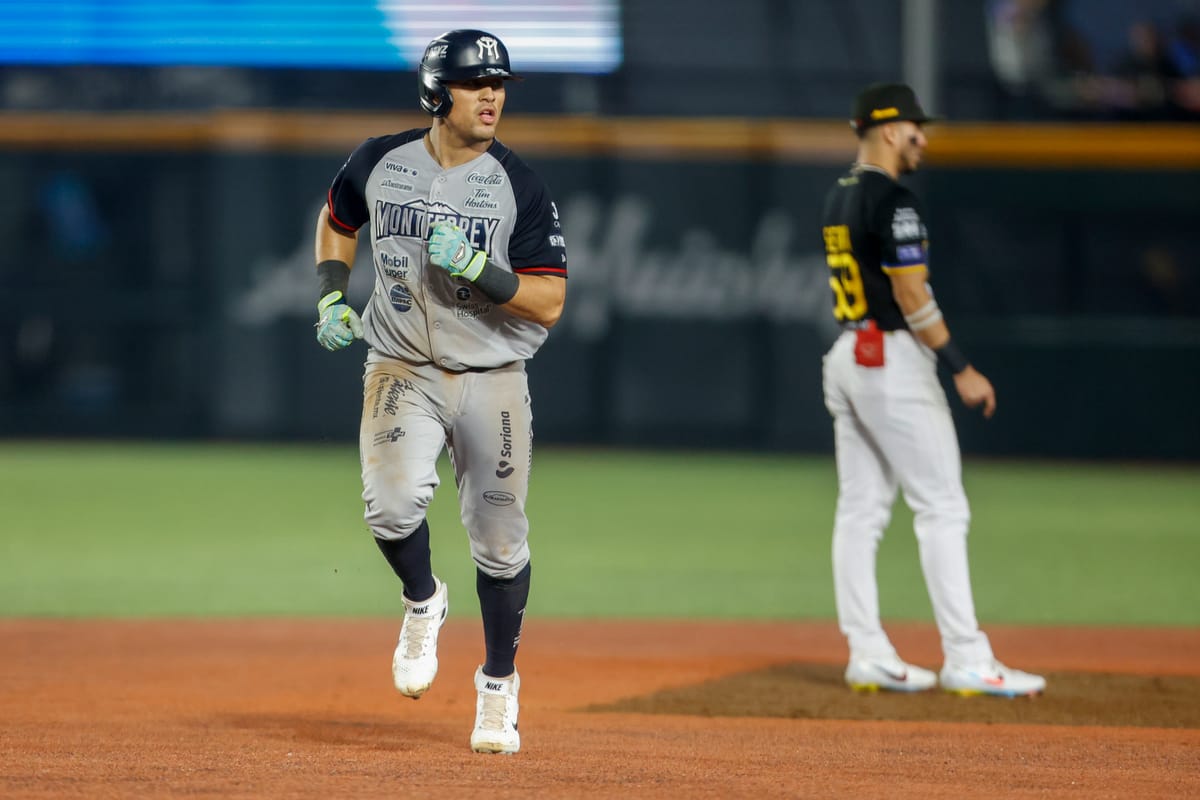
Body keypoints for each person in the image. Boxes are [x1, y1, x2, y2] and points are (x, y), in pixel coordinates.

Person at [312, 29, 568, 753]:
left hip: (493, 375)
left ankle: (497, 686)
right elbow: (337, 220)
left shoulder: (518, 184)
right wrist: (331, 297)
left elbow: (549, 301)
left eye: (498, 85)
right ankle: (423, 600)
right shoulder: (379, 161)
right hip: (402, 367)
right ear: (436, 93)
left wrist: (484, 269)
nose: (491, 96)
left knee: (498, 540)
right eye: (475, 83)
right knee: (389, 507)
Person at [818, 83, 1045, 697]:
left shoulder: (840, 195)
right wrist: (959, 363)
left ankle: (867, 650)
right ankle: (967, 656)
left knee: (861, 512)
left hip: (847, 352)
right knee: (943, 507)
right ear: (890, 130)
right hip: (890, 358)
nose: (924, 137)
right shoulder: (894, 199)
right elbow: (913, 292)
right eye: (916, 127)